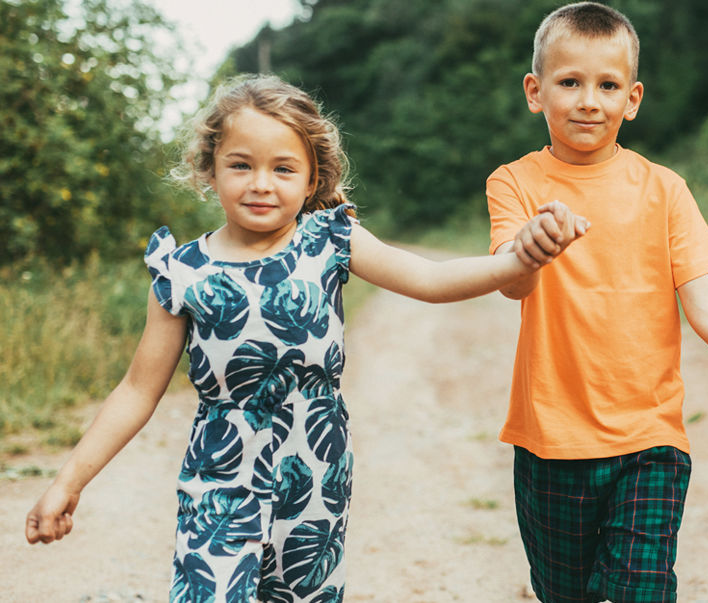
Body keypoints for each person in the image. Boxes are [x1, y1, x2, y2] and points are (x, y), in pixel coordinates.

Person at [24, 74, 585, 602]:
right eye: (240, 165)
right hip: (219, 477)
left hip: (315, 470)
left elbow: (429, 280)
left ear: (313, 178)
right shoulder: (181, 271)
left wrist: (519, 257)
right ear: (210, 168)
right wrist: (68, 481)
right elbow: (137, 391)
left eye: (283, 169)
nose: (261, 184)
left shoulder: (331, 240)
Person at [485, 1, 708, 603]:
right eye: (570, 83)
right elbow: (511, 281)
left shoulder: (664, 189)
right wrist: (528, 251)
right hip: (551, 441)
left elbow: (705, 299)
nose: (590, 100)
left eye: (608, 85)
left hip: (650, 438)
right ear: (536, 91)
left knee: (640, 589)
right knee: (565, 592)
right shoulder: (515, 182)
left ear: (632, 99)